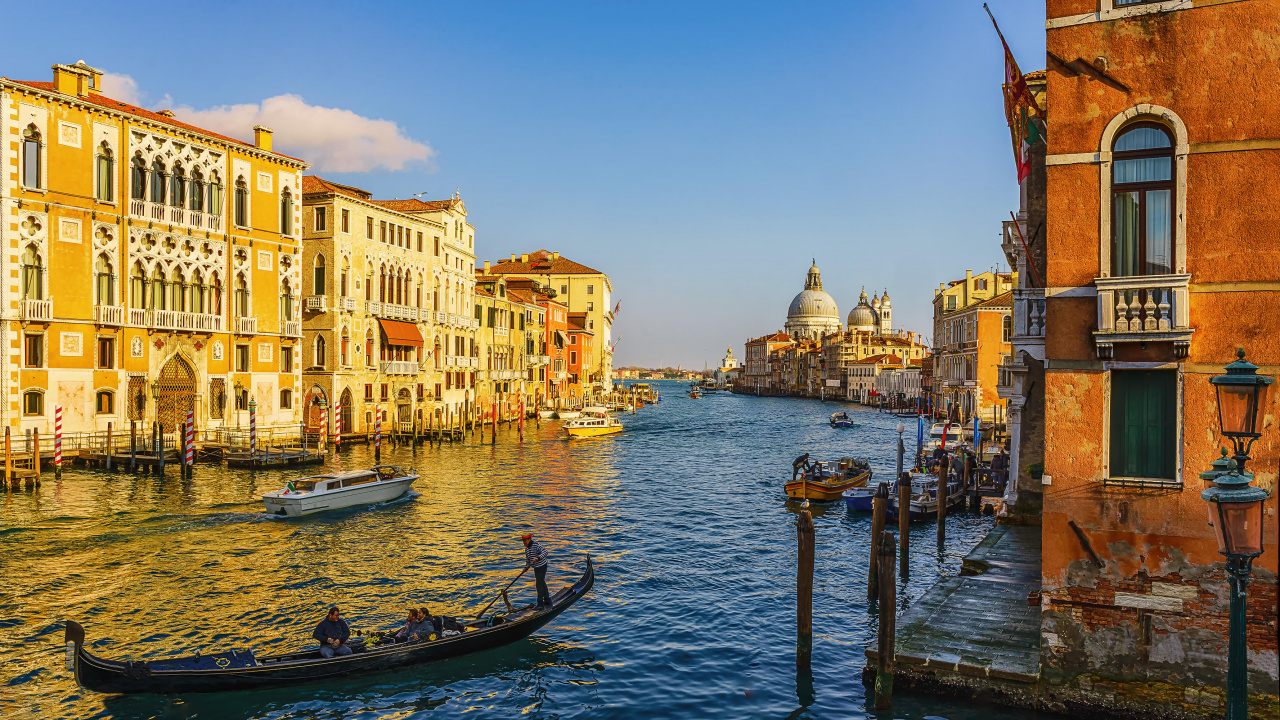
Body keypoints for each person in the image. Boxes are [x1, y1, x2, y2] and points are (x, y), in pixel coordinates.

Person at [522, 533, 552, 608]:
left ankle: (540, 604)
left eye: (525, 540)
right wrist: (526, 567)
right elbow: (528, 560)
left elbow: (545, 552)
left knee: (539, 584)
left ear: (529, 539)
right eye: (523, 540)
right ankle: (547, 600)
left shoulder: (536, 545)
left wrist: (538, 558)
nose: (524, 542)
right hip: (536, 567)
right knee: (541, 583)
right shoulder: (527, 549)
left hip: (542, 566)